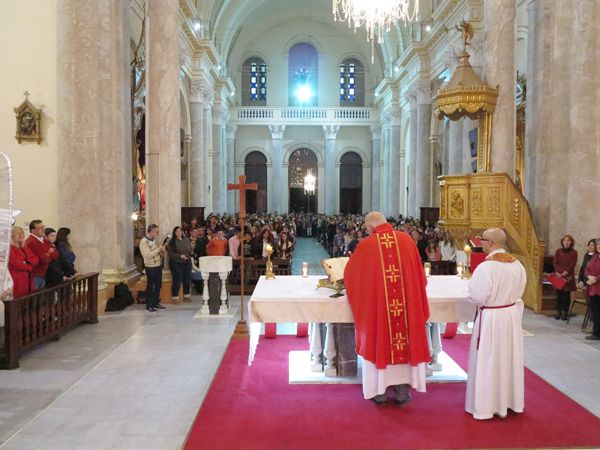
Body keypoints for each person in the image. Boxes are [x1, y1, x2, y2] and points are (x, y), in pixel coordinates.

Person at [344, 211, 430, 404]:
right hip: (406, 309)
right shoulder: (407, 240)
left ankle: (379, 392)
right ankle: (402, 392)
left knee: (379, 342)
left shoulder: (366, 245)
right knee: (405, 344)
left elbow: (350, 277)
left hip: (380, 310)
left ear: (370, 227)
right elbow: (420, 277)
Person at [465, 228, 527, 420]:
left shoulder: (486, 267)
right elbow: (521, 289)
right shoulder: (517, 264)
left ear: (490, 243)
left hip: (491, 318)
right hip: (510, 316)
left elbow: (477, 297)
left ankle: (487, 405)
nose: (480, 243)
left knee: (489, 360)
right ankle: (509, 402)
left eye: (482, 240)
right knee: (508, 358)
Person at [139, 224, 166, 312]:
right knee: (151, 286)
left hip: (158, 265)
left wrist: (161, 252)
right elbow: (147, 255)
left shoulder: (154, 240)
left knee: (158, 285)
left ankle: (155, 302)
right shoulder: (144, 242)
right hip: (150, 267)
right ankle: (149, 305)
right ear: (151, 231)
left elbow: (156, 253)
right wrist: (159, 249)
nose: (157, 233)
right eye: (156, 232)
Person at [25, 219, 58, 289]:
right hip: (35, 274)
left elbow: (56, 255)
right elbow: (44, 260)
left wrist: (47, 254)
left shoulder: (43, 240)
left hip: (43, 273)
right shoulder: (32, 242)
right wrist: (49, 253)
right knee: (36, 294)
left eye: (43, 227)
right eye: (40, 228)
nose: (43, 229)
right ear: (33, 231)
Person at [8, 226, 38, 297]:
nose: (20, 235)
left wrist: (26, 262)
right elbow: (16, 264)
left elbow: (36, 259)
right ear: (12, 236)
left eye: (22, 233)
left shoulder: (24, 247)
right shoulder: (10, 249)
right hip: (17, 280)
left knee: (29, 299)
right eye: (17, 233)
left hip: (29, 279)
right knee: (20, 299)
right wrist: (30, 266)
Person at [553, 235, 578, 320]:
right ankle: (558, 312)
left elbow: (573, 263)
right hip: (558, 275)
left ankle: (565, 312)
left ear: (571, 242)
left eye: (568, 240)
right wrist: (559, 272)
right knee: (558, 294)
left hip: (568, 275)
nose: (566, 242)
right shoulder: (558, 251)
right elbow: (555, 263)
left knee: (566, 295)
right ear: (562, 242)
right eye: (565, 240)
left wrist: (566, 272)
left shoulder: (574, 252)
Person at [167, 226, 193, 302]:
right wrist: (180, 256)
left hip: (187, 262)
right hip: (176, 263)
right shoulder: (172, 242)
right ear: (174, 233)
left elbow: (190, 249)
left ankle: (186, 296)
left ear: (182, 232)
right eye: (177, 231)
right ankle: (175, 297)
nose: (179, 232)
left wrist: (190, 254)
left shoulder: (186, 239)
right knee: (177, 280)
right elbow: (171, 254)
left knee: (187, 279)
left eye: (180, 231)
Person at [578, 239, 597, 332]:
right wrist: (580, 280)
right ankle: (591, 324)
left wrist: (590, 279)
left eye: (593, 245)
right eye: (589, 245)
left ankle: (593, 325)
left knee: (592, 305)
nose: (590, 247)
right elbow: (583, 269)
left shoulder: (596, 257)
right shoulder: (586, 255)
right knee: (589, 304)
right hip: (586, 282)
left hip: (593, 283)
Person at [583, 239, 600, 341]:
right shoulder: (594, 257)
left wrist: (596, 279)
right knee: (595, 311)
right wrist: (588, 277)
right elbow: (587, 269)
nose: (598, 246)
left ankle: (597, 333)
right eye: (597, 244)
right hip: (592, 287)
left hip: (598, 286)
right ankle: (596, 333)